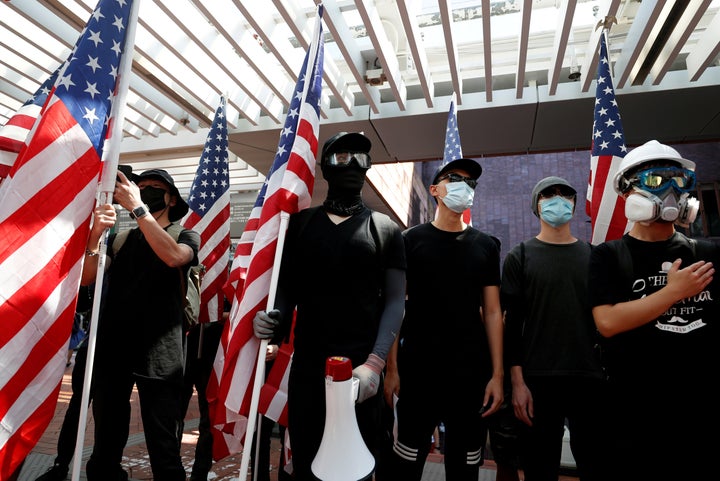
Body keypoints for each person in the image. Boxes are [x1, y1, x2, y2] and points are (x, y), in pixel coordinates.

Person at [252, 131, 407, 481]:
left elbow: (396, 301)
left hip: (361, 372)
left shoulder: (386, 229)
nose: (352, 164)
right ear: (325, 168)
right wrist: (271, 319)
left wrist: (376, 362)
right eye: (341, 157)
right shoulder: (302, 225)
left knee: (360, 464)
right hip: (308, 369)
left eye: (361, 158)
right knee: (307, 459)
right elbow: (288, 289)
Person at [589, 140, 718, 481]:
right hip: (633, 414)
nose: (672, 192)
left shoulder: (707, 253)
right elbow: (607, 322)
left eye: (680, 181)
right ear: (627, 193)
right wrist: (673, 292)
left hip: (699, 411)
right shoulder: (607, 256)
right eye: (657, 182)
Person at [383, 157, 504, 481]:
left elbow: (492, 311)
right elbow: (395, 304)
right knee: (406, 463)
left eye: (471, 182)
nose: (465, 185)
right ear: (435, 189)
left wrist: (497, 374)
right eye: (455, 178)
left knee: (464, 466)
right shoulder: (409, 240)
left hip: (470, 373)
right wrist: (391, 368)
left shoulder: (486, 246)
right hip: (418, 370)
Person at [81, 168, 200, 481]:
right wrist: (94, 236)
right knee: (106, 440)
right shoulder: (121, 239)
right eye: (140, 186)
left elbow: (174, 257)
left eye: (154, 187)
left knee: (163, 443)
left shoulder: (184, 235)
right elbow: (87, 277)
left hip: (160, 354)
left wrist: (138, 207)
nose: (144, 190)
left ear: (171, 198)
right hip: (114, 349)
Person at [501, 176, 608, 481]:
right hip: (537, 381)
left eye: (565, 194)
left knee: (596, 465)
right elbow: (512, 327)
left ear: (574, 204)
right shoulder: (519, 256)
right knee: (538, 469)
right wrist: (517, 383)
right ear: (537, 205)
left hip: (588, 378)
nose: (558, 199)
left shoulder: (593, 256)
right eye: (549, 194)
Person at [181, 313, 226, 481]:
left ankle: (199, 473)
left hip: (213, 354)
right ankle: (172, 467)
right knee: (173, 416)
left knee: (208, 420)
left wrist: (217, 314)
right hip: (184, 348)